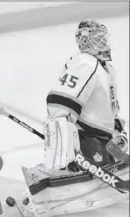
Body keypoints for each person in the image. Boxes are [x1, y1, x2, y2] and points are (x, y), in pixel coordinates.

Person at [42, 18, 128, 172]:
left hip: (104, 139)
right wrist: (65, 150)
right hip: (87, 138)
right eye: (97, 37)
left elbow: (109, 106)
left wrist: (116, 130)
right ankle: (62, 170)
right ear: (85, 41)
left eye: (103, 36)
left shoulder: (107, 67)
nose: (103, 40)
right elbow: (59, 105)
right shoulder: (84, 63)